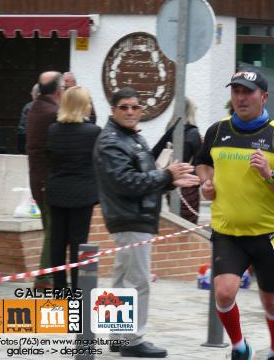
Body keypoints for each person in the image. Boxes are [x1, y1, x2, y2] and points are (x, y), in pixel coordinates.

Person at [195, 70, 274, 360]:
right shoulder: (216, 131)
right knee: (224, 292)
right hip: (228, 231)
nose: (241, 98)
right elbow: (203, 163)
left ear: (263, 97)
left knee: (271, 302)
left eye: (248, 92)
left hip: (269, 234)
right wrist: (206, 183)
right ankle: (239, 347)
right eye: (236, 92)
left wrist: (269, 175)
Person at [94, 87, 199, 358]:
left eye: (135, 107)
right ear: (113, 110)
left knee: (122, 279)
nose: (130, 112)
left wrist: (169, 180)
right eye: (124, 107)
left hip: (135, 216)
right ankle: (131, 340)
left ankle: (118, 337)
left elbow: (145, 178)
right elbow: (126, 182)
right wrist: (166, 175)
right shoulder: (111, 141)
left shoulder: (131, 138)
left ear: (141, 110)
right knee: (137, 282)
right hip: (129, 218)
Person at [46, 86, 101, 291]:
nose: (90, 105)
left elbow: (50, 158)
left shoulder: (53, 130)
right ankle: (78, 287)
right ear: (81, 105)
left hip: (57, 191)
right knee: (79, 242)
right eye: (87, 102)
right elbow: (97, 162)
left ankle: (59, 288)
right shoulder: (93, 132)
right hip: (82, 194)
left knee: (57, 243)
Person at [26, 71, 65, 290]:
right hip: (48, 180)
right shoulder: (53, 113)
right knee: (53, 230)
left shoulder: (35, 108)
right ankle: (43, 278)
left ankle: (49, 274)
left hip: (37, 179)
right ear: (60, 91)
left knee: (50, 228)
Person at [152, 98, 202, 224]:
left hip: (171, 181)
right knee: (188, 226)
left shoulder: (170, 129)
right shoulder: (193, 133)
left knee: (175, 222)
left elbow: (156, 152)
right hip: (188, 184)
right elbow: (199, 159)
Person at [18, 84, 39, 154]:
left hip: (29, 142)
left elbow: (22, 128)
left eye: (32, 92)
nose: (31, 94)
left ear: (36, 94)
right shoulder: (52, 106)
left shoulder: (28, 107)